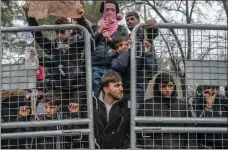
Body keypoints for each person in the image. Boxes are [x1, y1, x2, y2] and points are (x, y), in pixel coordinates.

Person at [23, 3, 92, 116]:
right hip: (61, 88)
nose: (59, 35)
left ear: (69, 30)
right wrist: (29, 16)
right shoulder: (53, 45)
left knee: (77, 115)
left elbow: (90, 35)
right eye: (57, 32)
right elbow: (38, 36)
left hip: (78, 87)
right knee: (64, 115)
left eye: (62, 31)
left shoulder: (77, 42)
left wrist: (81, 17)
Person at [137, 73, 197, 149]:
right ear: (157, 88)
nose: (167, 90)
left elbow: (191, 132)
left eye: (170, 86)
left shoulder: (183, 105)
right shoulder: (147, 105)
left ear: (174, 86)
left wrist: (188, 148)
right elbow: (141, 131)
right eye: (163, 86)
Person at [91, 0, 129, 95]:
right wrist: (99, 32)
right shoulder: (94, 28)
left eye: (113, 10)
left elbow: (123, 45)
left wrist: (109, 37)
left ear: (116, 13)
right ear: (102, 12)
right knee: (98, 96)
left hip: (114, 67)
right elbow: (89, 44)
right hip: (96, 67)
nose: (110, 12)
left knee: (113, 95)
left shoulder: (121, 29)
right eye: (107, 9)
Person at [124, 11, 158, 104]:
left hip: (143, 72)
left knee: (137, 100)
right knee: (128, 101)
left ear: (138, 20)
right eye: (127, 20)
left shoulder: (144, 32)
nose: (129, 21)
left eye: (132, 19)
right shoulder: (129, 36)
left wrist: (152, 25)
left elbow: (153, 32)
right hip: (131, 73)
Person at [93, 72, 130, 149]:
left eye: (121, 85)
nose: (121, 89)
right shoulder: (92, 104)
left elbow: (131, 135)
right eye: (117, 85)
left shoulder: (127, 105)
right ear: (106, 89)